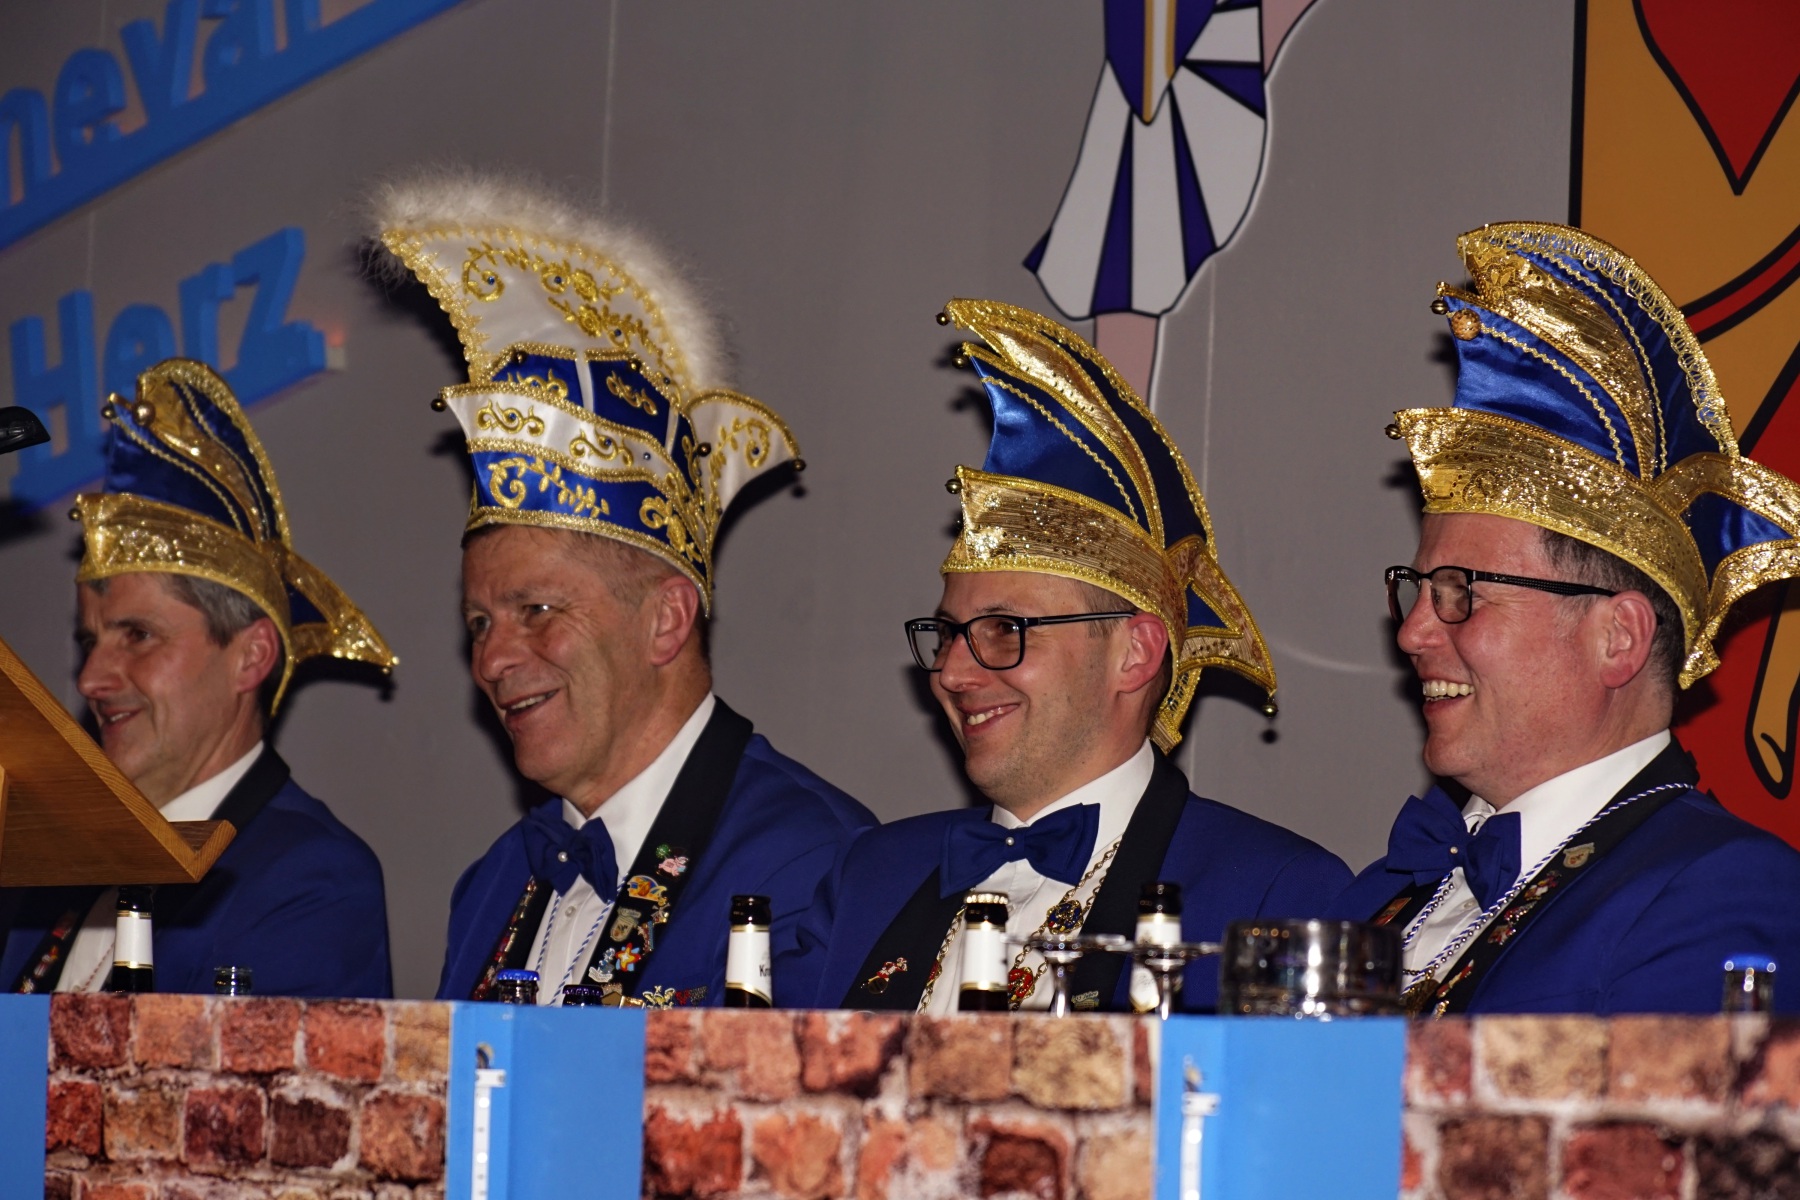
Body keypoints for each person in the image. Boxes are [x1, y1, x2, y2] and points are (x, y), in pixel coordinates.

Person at [374, 173, 875, 1007]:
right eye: (479, 622)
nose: (492, 660)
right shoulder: (494, 885)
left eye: (537, 611)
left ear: (667, 619)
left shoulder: (815, 864)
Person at [784, 298, 1349, 1013]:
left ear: (1134, 653)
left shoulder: (1272, 894)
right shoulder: (871, 876)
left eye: (1003, 630)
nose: (952, 672)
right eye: (948, 633)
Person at [1332, 222, 1800, 1015]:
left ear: (1617, 637)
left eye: (1462, 591)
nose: (1413, 632)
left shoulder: (1721, 888)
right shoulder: (1383, 892)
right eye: (1419, 588)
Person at [0, 359, 398, 997]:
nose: (92, 679)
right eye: (89, 642)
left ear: (251, 656)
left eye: (139, 635)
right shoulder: (58, 871)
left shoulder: (309, 880)